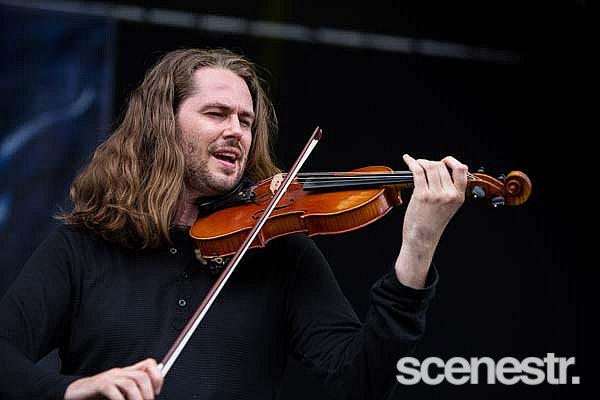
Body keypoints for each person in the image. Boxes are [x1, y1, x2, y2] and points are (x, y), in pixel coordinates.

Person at [0, 48, 468, 400]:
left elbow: (360, 379)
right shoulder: (84, 245)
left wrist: (419, 245)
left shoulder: (278, 251)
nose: (236, 132)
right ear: (162, 124)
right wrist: (71, 389)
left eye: (246, 121)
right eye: (216, 114)